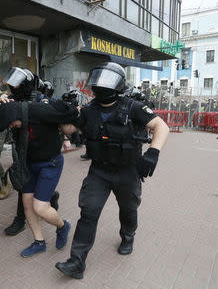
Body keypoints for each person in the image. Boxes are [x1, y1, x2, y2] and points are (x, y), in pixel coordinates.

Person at [55, 62, 169, 279]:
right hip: (99, 171)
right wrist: (65, 112)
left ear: (118, 84)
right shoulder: (88, 110)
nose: (100, 85)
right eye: (98, 80)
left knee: (128, 209)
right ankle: (76, 262)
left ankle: (128, 236)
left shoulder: (133, 107)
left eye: (106, 81)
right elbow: (69, 129)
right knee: (88, 212)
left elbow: (161, 126)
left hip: (128, 172)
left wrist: (152, 153)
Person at [0, 99, 77, 257]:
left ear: (14, 115)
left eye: (11, 124)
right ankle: (39, 242)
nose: (11, 127)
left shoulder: (40, 111)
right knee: (27, 204)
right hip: (29, 164)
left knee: (40, 207)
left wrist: (78, 117)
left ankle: (62, 226)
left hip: (50, 163)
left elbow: (69, 114)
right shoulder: (15, 114)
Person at [0, 67, 61, 236]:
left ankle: (49, 195)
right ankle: (20, 219)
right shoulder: (11, 99)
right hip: (19, 145)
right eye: (12, 86)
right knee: (22, 180)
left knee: (34, 180)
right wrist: (1, 101)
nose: (13, 89)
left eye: (16, 86)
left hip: (39, 147)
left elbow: (56, 120)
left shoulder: (40, 99)